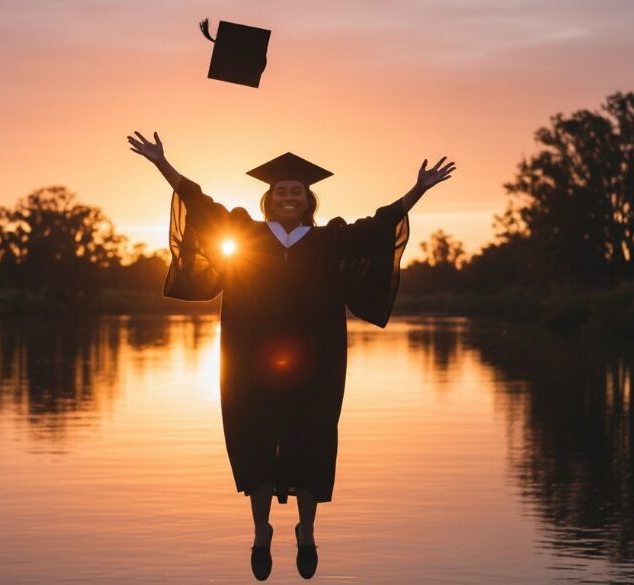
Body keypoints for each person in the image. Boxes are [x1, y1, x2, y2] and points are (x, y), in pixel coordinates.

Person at [128, 131, 455, 580]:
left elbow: (380, 226)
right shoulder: (244, 233)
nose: (287, 197)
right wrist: (162, 164)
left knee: (312, 439)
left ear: (308, 201)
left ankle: (305, 530)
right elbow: (201, 206)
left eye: (296, 192)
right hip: (247, 359)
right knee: (253, 437)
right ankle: (261, 531)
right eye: (280, 191)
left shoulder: (328, 242)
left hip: (316, 360)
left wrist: (418, 189)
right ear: (268, 199)